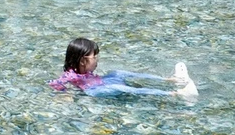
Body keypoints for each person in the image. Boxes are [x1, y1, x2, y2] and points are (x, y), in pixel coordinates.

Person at [49, 38, 197, 98]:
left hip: (100, 83)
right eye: (95, 57)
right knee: (122, 88)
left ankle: (171, 79)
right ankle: (176, 93)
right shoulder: (70, 76)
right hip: (94, 91)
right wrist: (65, 94)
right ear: (82, 61)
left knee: (118, 73)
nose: (97, 60)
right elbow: (56, 83)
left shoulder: (86, 70)